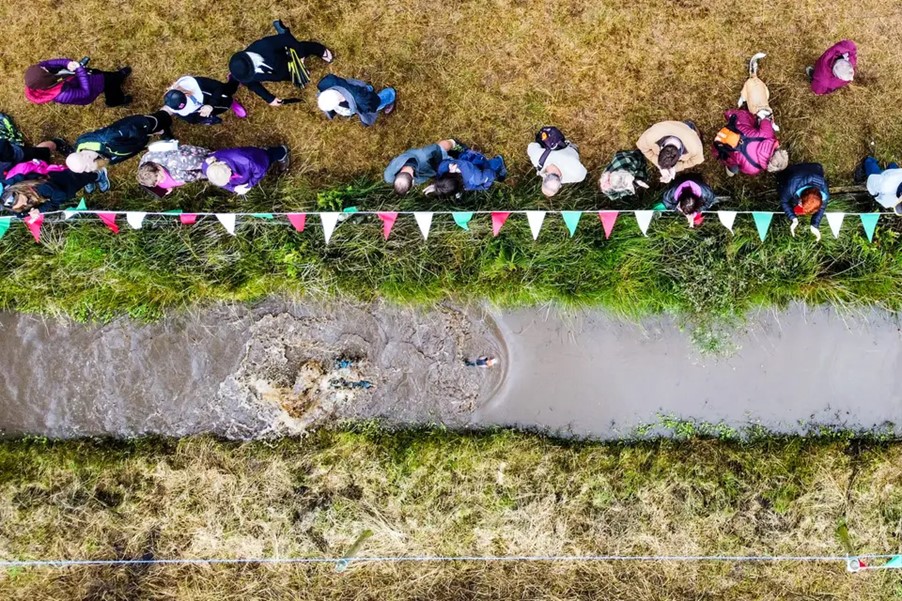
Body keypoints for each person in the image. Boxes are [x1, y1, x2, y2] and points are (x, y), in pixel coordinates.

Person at [228, 20, 333, 106]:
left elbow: (288, 41)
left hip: (284, 56)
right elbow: (253, 85)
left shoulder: (264, 45)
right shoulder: (243, 75)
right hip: (279, 74)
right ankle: (295, 73)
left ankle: (320, 50)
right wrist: (269, 98)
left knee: (303, 48)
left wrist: (300, 57)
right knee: (296, 77)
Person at [66, 111, 174, 172]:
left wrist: (145, 132)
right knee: (151, 137)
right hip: (133, 144)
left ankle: (168, 114)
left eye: (86, 168)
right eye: (84, 170)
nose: (88, 171)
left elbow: (130, 129)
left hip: (139, 128)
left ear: (86, 157)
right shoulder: (81, 145)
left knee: (162, 119)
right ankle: (161, 131)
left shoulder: (107, 138)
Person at [1, 168, 110, 218]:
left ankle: (98, 174)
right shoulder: (20, 200)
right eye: (19, 205)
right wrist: (23, 213)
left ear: (19, 191)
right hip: (59, 183)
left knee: (81, 178)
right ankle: (88, 179)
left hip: (66, 183)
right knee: (81, 180)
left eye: (21, 201)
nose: (24, 205)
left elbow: (60, 197)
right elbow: (19, 215)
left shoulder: (42, 188)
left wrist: (41, 209)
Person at [24, 58, 131, 107]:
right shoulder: (63, 94)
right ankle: (115, 100)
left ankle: (117, 76)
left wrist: (68, 63)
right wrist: (80, 71)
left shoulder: (45, 74)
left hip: (83, 76)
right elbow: (85, 92)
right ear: (46, 79)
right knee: (110, 82)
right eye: (44, 70)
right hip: (91, 86)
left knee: (99, 73)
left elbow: (48, 63)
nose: (45, 67)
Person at [713, 109, 788, 177]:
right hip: (720, 145)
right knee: (733, 165)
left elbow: (765, 121)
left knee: (748, 118)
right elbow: (742, 168)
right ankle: (729, 169)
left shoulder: (768, 135)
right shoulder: (753, 169)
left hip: (735, 126)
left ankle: (729, 113)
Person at [201, 145, 290, 195]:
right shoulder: (208, 167)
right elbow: (221, 183)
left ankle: (282, 152)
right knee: (263, 155)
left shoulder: (246, 160)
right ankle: (265, 151)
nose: (228, 181)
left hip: (258, 159)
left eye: (228, 178)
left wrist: (249, 185)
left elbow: (259, 173)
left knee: (269, 157)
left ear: (226, 167)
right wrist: (234, 188)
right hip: (247, 168)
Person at [636, 120, 704, 183]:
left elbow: (697, 160)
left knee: (690, 127)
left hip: (689, 133)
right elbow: (642, 147)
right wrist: (659, 165)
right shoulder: (649, 137)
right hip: (665, 127)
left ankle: (689, 125)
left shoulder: (695, 147)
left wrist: (677, 167)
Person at [526, 128, 587, 197]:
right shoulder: (537, 159)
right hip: (558, 142)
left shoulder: (575, 175)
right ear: (544, 178)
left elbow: (584, 173)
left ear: (559, 186)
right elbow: (531, 146)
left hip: (573, 151)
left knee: (574, 152)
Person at [316, 74, 396, 126]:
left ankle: (390, 95)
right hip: (355, 87)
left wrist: (368, 117)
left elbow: (372, 104)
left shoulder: (360, 99)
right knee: (365, 89)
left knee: (378, 102)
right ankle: (368, 88)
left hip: (362, 96)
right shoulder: (325, 84)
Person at [162, 75, 246, 125]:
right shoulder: (176, 108)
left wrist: (211, 104)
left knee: (230, 90)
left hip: (213, 95)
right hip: (208, 107)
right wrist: (202, 116)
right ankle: (230, 103)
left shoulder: (195, 83)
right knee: (221, 107)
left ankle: (232, 79)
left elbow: (218, 87)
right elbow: (192, 120)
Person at [426, 147, 507, 197]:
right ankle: (465, 150)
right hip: (467, 159)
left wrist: (490, 180)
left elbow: (490, 174)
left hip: (479, 163)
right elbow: (448, 164)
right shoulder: (443, 168)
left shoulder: (475, 179)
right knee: (464, 154)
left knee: (492, 165)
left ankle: (499, 161)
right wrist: (436, 186)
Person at [778, 163, 829, 241]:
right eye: (801, 203)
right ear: (802, 196)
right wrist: (792, 216)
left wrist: (814, 225)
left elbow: (821, 208)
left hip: (816, 168)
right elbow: (784, 201)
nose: (799, 206)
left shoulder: (824, 195)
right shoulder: (792, 187)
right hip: (793, 171)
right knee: (781, 183)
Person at [137, 140, 211, 194]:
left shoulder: (180, 162)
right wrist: (166, 187)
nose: (161, 182)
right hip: (185, 170)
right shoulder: (145, 162)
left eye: (160, 178)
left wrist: (210, 171)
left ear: (158, 167)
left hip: (194, 160)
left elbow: (204, 163)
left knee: (209, 168)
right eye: (157, 183)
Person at [383, 140, 455, 194]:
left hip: (434, 160)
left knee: (443, 147)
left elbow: (436, 148)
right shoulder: (388, 176)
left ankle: (453, 142)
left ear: (413, 181)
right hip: (429, 169)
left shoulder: (425, 155)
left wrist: (440, 164)